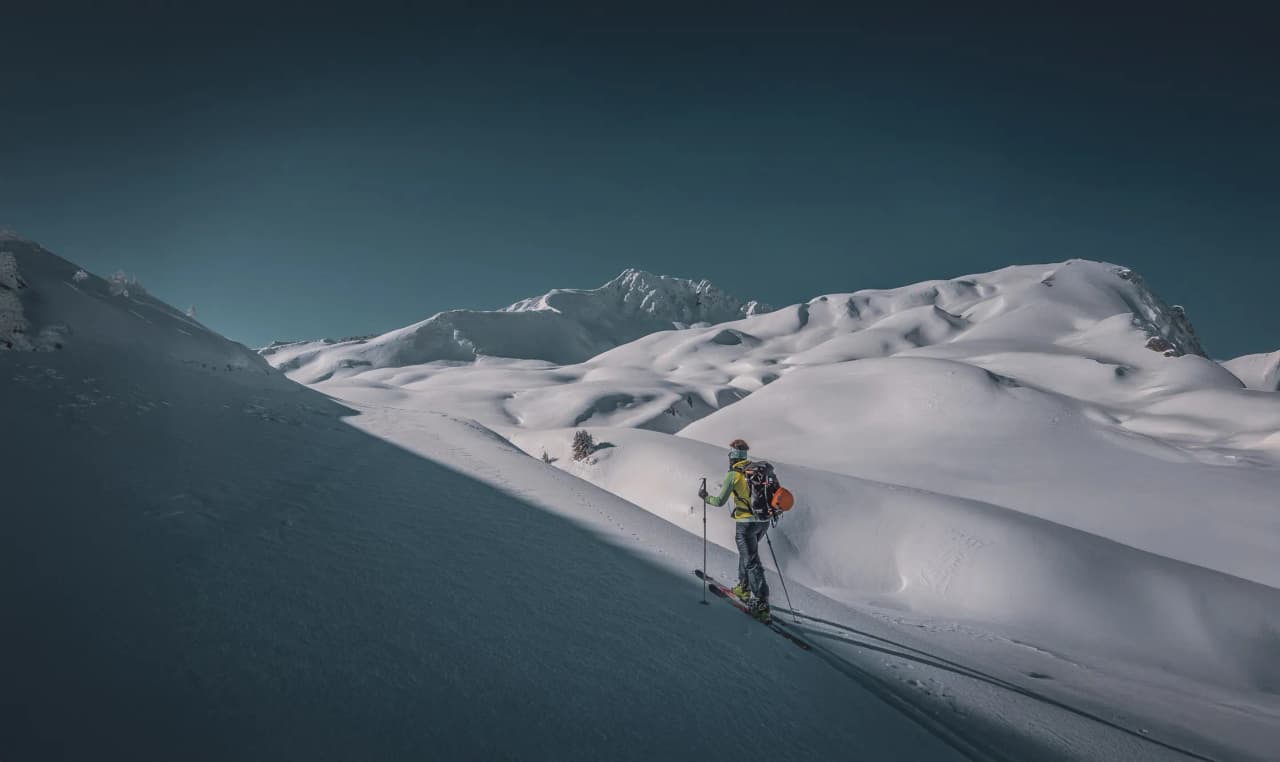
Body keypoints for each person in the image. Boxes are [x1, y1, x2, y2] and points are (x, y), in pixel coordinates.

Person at [699, 438, 771, 622]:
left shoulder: (733, 475)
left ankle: (761, 604)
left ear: (732, 456)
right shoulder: (757, 471)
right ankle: (743, 587)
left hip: (745, 523)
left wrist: (706, 498)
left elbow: (720, 501)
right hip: (763, 521)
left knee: (751, 560)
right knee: (747, 554)